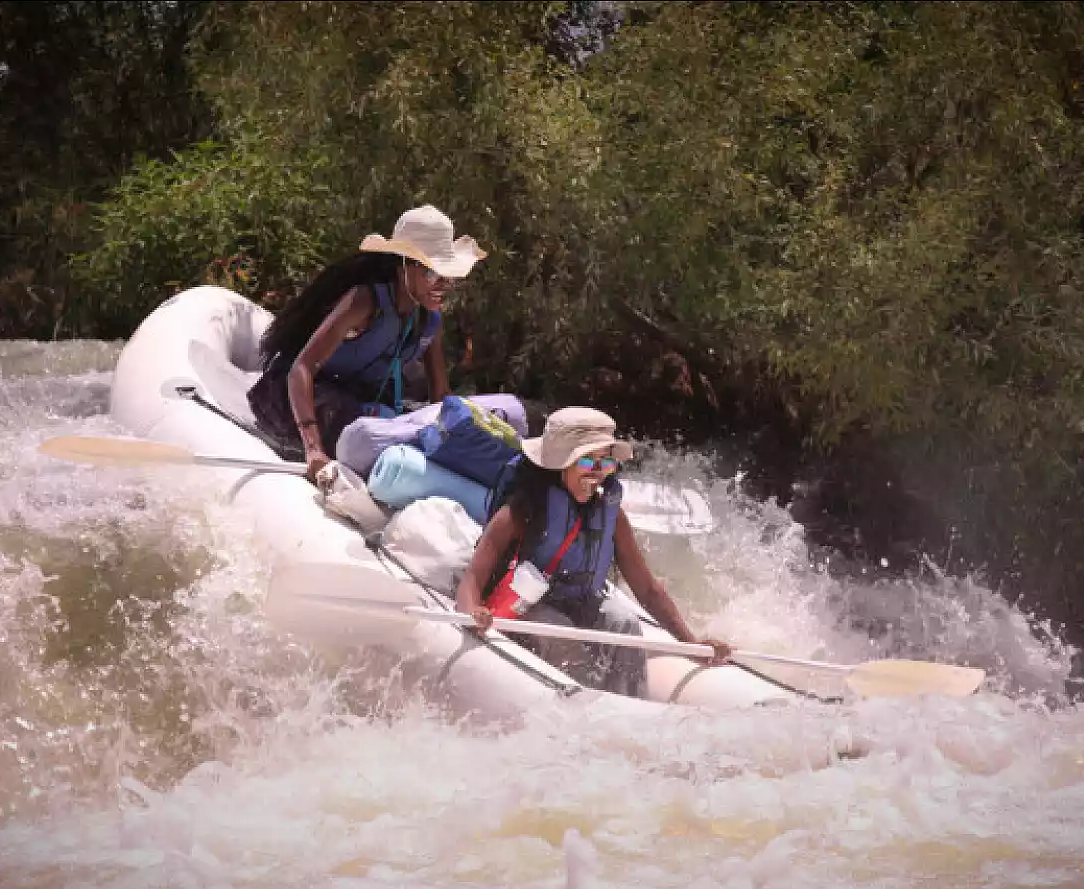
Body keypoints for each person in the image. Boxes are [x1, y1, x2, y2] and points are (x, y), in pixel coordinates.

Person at [454, 407, 733, 698]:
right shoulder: (521, 509)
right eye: (588, 460)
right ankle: (578, 708)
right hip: (526, 606)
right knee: (557, 631)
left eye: (607, 461)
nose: (598, 472)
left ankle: (631, 705)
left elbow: (648, 590)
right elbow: (474, 576)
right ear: (560, 464)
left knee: (624, 623)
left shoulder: (612, 516)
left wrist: (692, 644)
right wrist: (473, 613)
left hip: (581, 602)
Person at [246, 205, 487, 480]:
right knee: (353, 421)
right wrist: (313, 449)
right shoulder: (364, 302)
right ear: (404, 265)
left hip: (357, 396)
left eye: (450, 277)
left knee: (408, 420)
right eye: (434, 274)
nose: (443, 286)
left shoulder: (429, 319)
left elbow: (439, 395)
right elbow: (302, 368)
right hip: (300, 397)